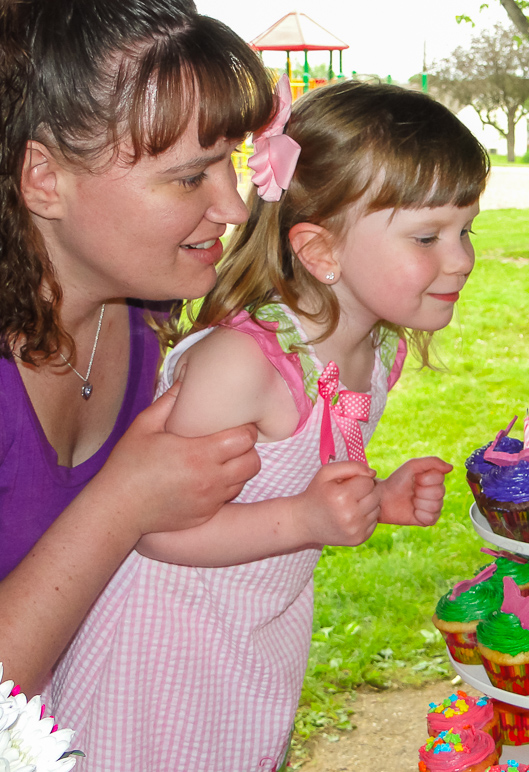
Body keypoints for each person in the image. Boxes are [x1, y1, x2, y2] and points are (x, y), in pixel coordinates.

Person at [47, 79, 490, 771]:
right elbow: (155, 528)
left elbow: (297, 479)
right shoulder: (243, 366)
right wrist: (307, 522)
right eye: (428, 236)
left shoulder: (376, 351)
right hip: (163, 652)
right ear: (320, 253)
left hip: (254, 633)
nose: (461, 258)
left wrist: (374, 499)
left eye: (467, 229)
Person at [0, 0, 267, 693]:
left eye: (230, 162)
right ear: (44, 180)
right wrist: (124, 501)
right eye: (189, 177)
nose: (234, 206)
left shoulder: (149, 316)